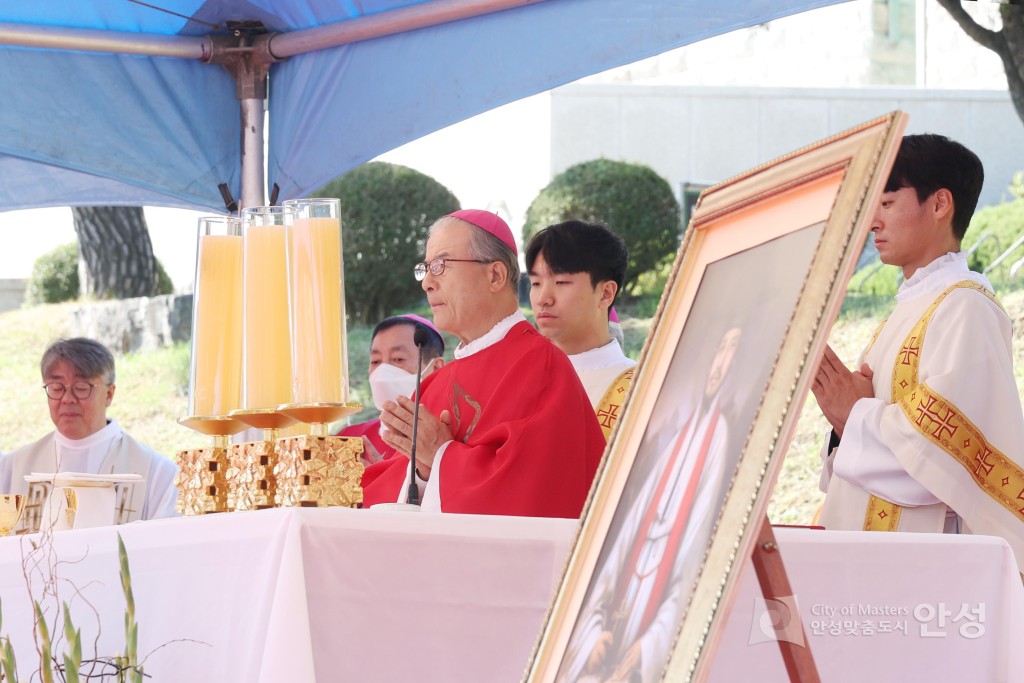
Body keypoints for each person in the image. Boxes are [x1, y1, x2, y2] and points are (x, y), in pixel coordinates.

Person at [813, 133, 1024, 571]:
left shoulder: (965, 306)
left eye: (887, 203)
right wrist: (842, 422)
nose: (872, 221)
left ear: (940, 203)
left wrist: (855, 414)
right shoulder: (909, 308)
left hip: (924, 569)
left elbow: (945, 461)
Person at [360, 209, 605, 517]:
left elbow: (534, 493)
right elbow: (389, 494)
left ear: (495, 276)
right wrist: (422, 471)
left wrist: (440, 454)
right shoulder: (437, 383)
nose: (427, 283)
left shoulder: (539, 366)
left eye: (441, 265)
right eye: (426, 268)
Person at [562, 325, 742, 683]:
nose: (718, 365)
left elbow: (693, 554)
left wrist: (651, 645)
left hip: (655, 618)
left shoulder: (717, 437)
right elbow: (626, 535)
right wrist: (592, 631)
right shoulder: (678, 432)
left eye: (730, 353)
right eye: (718, 350)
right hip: (619, 610)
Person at [0, 337, 179, 526]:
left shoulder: (157, 472)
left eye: (81, 388)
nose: (68, 399)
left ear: (109, 394)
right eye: (56, 388)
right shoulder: (10, 468)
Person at [526, 220, 636, 439]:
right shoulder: (517, 380)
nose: (542, 299)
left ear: (606, 293)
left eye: (561, 282)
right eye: (536, 283)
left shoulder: (641, 389)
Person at [337, 314, 445, 464]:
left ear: (436, 368)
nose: (382, 372)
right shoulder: (349, 439)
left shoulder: (445, 440)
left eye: (398, 359)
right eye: (375, 361)